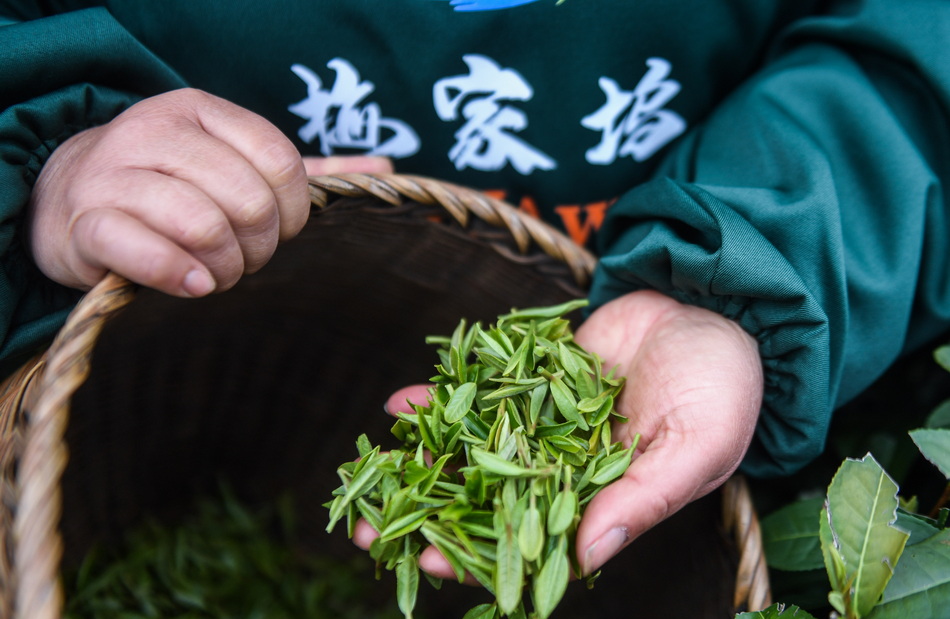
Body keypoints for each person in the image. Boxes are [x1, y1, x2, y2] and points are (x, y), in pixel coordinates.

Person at [1, 0, 947, 579]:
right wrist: (47, 166)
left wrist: (740, 279)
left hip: (629, 332)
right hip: (172, 402)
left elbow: (914, 58)